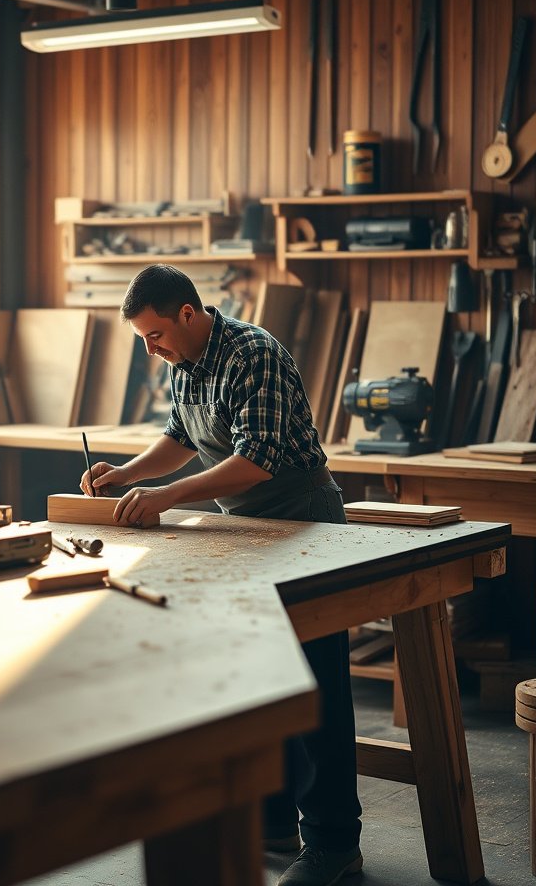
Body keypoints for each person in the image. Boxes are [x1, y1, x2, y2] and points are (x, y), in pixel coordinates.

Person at [80, 263, 362, 886]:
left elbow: (256, 459)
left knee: (315, 687)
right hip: (248, 532)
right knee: (261, 675)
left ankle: (334, 846)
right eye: (142, 341)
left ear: (187, 313)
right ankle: (272, 821)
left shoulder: (251, 352)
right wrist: (127, 475)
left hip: (303, 521)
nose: (150, 350)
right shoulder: (186, 363)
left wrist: (169, 497)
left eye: (154, 336)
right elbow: (180, 437)